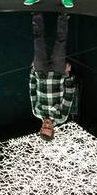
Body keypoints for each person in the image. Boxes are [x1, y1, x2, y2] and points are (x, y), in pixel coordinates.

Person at [29, 13, 76, 141]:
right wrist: (67, 75)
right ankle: (63, 16)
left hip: (40, 72)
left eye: (44, 127)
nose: (47, 125)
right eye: (49, 128)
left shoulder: (37, 112)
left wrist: (32, 71)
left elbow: (32, 91)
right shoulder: (61, 117)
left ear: (41, 128)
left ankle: (36, 15)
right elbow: (69, 95)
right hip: (57, 73)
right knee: (61, 43)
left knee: (38, 42)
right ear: (53, 130)